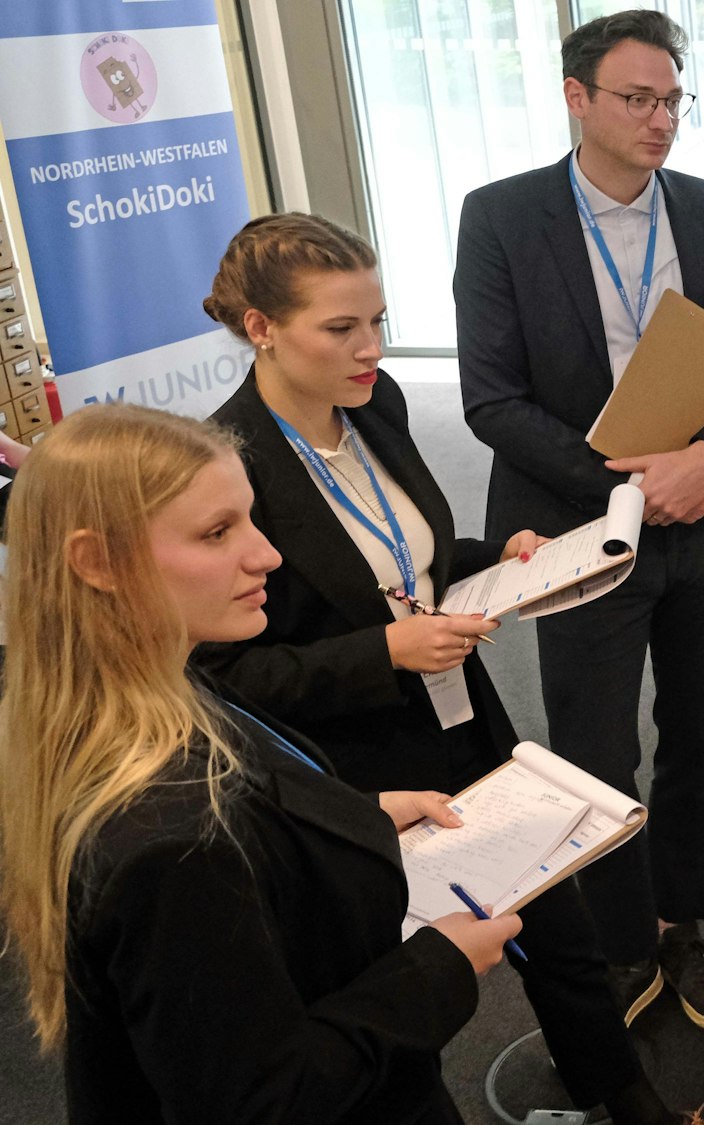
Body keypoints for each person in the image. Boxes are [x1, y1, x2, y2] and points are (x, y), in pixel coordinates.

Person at [193, 214, 673, 1122]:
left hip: (463, 714)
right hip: (353, 771)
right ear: (261, 327)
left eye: (377, 320)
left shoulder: (378, 406)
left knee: (555, 925)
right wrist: (384, 651)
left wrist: (499, 554)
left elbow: (399, 555)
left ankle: (625, 1093)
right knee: (398, 984)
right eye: (341, 329)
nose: (371, 347)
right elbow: (230, 678)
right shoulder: (225, 466)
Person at [0, 403, 522, 1123]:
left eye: (248, 519)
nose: (266, 554)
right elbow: (267, 1099)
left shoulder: (161, 685)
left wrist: (355, 813)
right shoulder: (170, 841)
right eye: (217, 533)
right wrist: (438, 969)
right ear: (97, 562)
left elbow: (256, 798)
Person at [455, 9, 704, 1032]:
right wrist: (633, 490)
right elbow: (489, 399)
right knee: (595, 754)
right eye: (637, 99)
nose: (661, 121)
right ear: (577, 99)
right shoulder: (503, 216)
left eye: (671, 100)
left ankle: (684, 926)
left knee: (701, 742)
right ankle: (617, 945)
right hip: (576, 536)